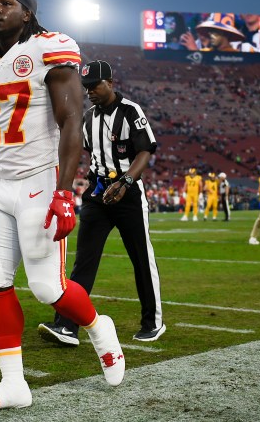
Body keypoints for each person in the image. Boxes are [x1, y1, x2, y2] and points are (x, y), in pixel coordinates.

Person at [0, 0, 124, 414]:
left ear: (28, 14)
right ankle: (13, 385)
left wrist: (65, 192)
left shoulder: (50, 48)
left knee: (46, 287)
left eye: (7, 3)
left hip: (38, 180)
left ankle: (97, 327)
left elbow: (72, 120)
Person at [38, 59, 164, 347]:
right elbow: (84, 151)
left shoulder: (131, 111)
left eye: (94, 85)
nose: (90, 91)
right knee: (84, 261)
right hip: (98, 193)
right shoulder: (88, 118)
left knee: (141, 258)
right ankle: (66, 326)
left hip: (128, 193)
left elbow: (145, 151)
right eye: (86, 87)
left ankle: (152, 322)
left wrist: (126, 182)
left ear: (110, 82)